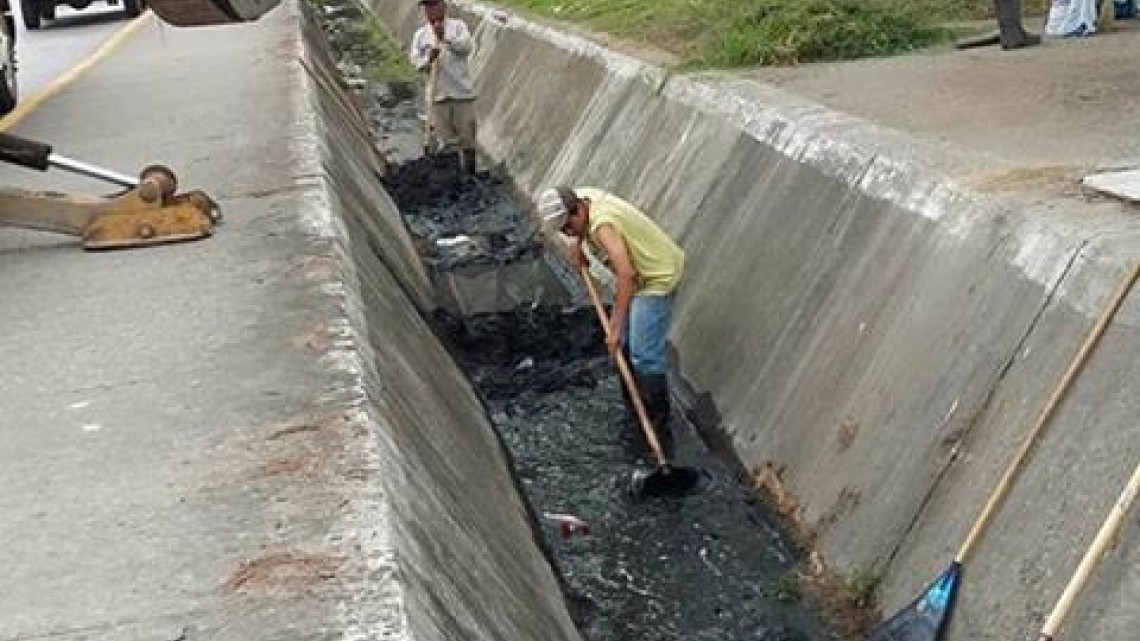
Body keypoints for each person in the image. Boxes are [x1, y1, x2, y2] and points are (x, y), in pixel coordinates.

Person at [538, 186, 684, 454]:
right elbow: (578, 225)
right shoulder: (582, 197)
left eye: (568, 228)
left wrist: (615, 325)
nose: (567, 233)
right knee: (623, 349)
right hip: (637, 276)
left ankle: (660, 428)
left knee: (643, 355)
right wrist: (576, 245)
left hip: (656, 276)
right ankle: (635, 414)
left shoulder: (602, 225)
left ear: (578, 211)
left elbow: (626, 275)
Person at [409, 0, 479, 173]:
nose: (431, 11)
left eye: (434, 5)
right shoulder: (421, 35)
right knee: (446, 142)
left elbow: (466, 47)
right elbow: (417, 63)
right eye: (427, 7)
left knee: (468, 138)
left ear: (443, 6)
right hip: (437, 97)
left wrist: (445, 38)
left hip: (462, 94)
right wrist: (429, 59)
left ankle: (471, 175)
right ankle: (453, 177)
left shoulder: (458, 27)